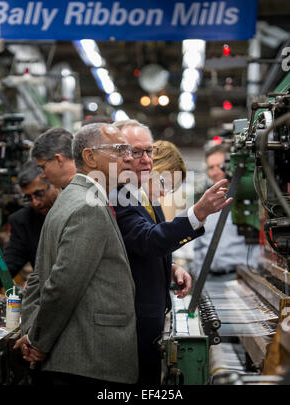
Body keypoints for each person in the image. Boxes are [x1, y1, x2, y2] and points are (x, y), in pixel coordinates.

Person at [14, 123, 138, 385]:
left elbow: (40, 277)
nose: (128, 157)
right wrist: (38, 340)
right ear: (90, 157)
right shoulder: (87, 207)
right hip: (90, 361)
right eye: (119, 149)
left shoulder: (68, 199)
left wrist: (32, 331)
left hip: (78, 359)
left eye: (128, 150)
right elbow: (62, 285)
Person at [111, 119, 232, 385]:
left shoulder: (143, 200)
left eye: (148, 152)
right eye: (136, 152)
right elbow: (147, 240)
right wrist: (197, 213)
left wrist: (172, 268)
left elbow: (146, 249)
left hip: (148, 322)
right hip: (131, 326)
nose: (145, 160)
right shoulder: (119, 197)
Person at [193, 144, 259, 281]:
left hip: (241, 278)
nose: (216, 171)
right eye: (211, 167)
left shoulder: (248, 201)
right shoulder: (203, 205)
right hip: (208, 279)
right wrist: (199, 275)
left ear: (231, 166)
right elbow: (197, 247)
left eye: (220, 165)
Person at [0, 160, 60, 291]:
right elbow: (13, 256)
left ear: (54, 184)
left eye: (39, 194)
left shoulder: (74, 212)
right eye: (28, 197)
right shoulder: (23, 221)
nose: (35, 203)